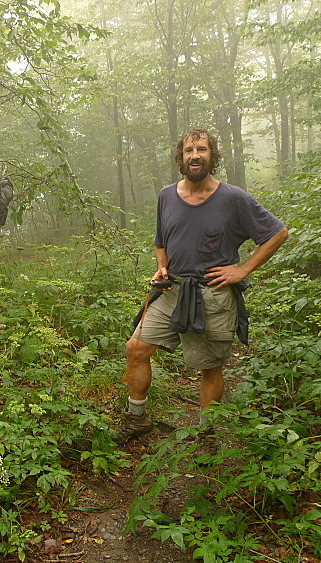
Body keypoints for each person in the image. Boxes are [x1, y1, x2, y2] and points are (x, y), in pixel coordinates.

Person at [114, 127, 289, 443]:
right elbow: (160, 241)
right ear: (180, 158)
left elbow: (278, 233)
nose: (195, 156)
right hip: (171, 292)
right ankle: (137, 419)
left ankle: (207, 437)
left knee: (209, 368)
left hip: (213, 295)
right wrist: (162, 266)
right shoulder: (167, 195)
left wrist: (242, 269)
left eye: (202, 150)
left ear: (213, 155)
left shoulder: (233, 198)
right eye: (189, 151)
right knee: (136, 348)